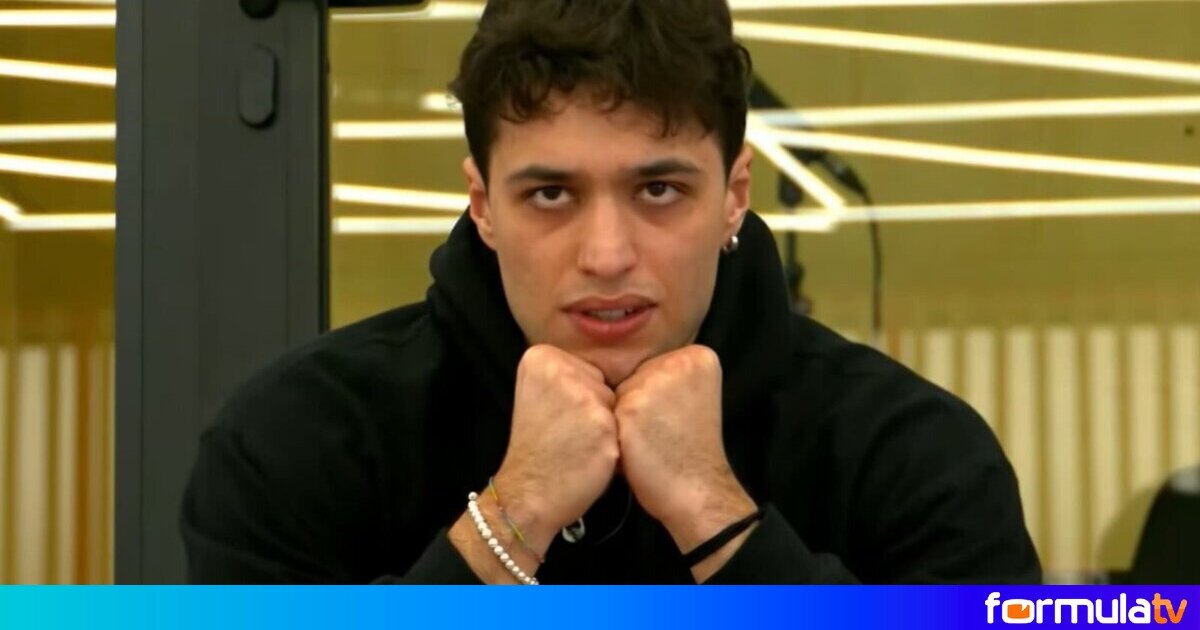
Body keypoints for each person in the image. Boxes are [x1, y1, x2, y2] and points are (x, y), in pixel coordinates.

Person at [181, 0, 1040, 584]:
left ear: (735, 193)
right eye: (551, 194)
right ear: (483, 204)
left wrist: (716, 516)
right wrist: (510, 518)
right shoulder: (294, 443)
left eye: (658, 189)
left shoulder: (914, 455)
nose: (606, 254)